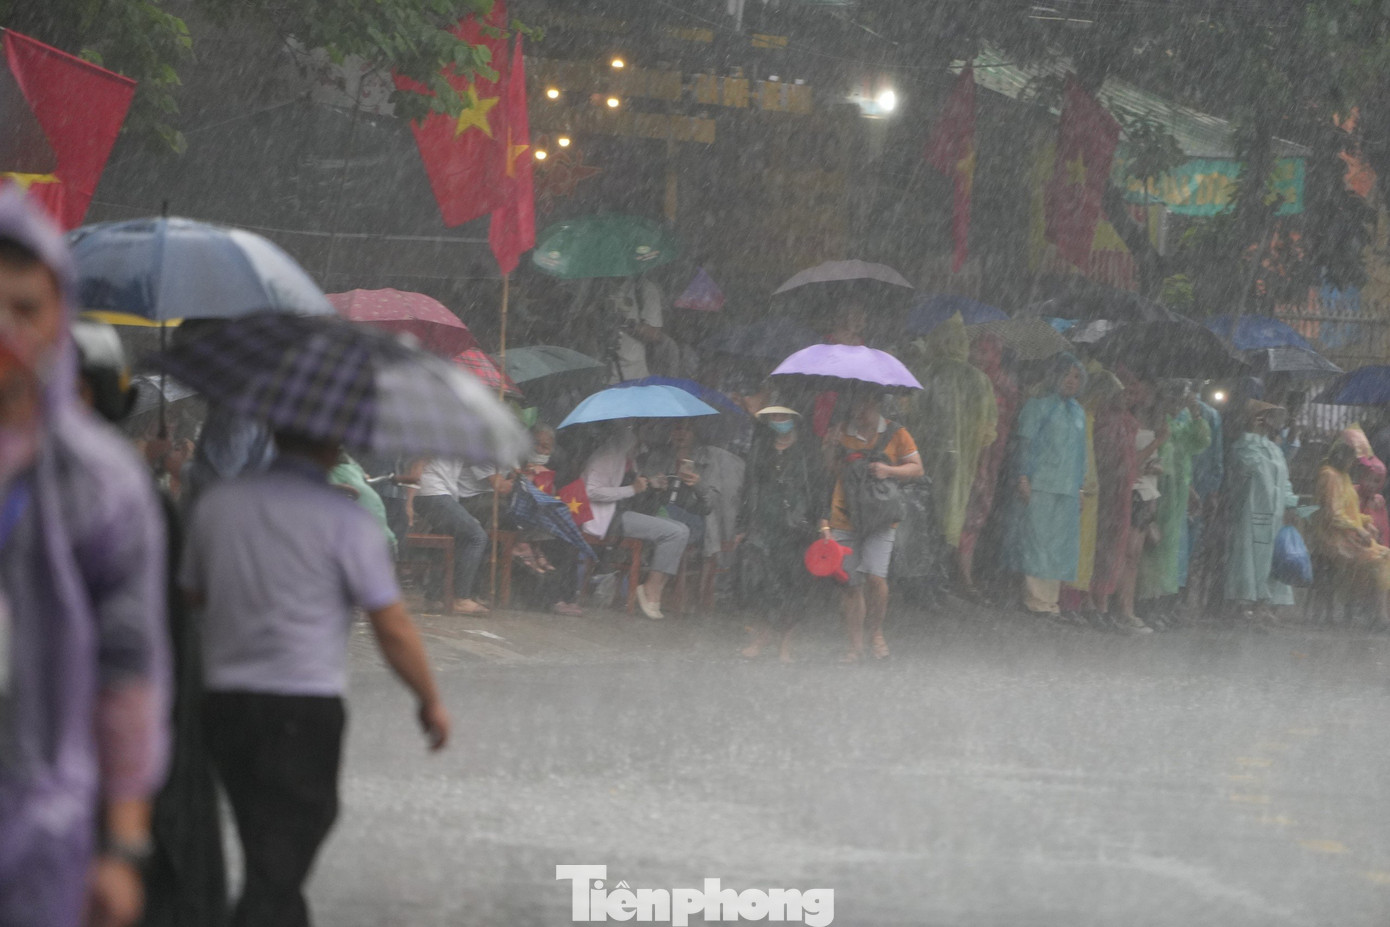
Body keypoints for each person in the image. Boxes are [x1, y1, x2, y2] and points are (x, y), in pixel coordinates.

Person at [182, 430, 450, 927]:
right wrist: (428, 697)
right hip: (301, 705)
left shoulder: (219, 507)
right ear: (335, 448)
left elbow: (192, 597)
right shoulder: (346, 520)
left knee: (260, 831)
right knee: (291, 840)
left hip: (224, 703)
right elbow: (390, 623)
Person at [0, 191, 171, 927]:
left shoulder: (101, 484)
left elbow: (126, 665)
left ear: (57, 314)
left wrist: (122, 846)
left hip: (41, 829)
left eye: (24, 306)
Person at [821, 390, 923, 661]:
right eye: (856, 404)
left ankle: (875, 632)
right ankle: (854, 645)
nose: (860, 411)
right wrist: (830, 447)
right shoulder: (841, 432)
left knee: (876, 579)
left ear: (876, 404)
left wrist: (888, 470)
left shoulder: (896, 433)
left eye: (865, 404)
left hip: (881, 517)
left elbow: (917, 468)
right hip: (845, 515)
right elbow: (830, 472)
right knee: (850, 583)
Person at [734, 407, 827, 661]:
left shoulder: (808, 451)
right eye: (772, 417)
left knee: (793, 586)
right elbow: (748, 488)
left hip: (797, 529)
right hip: (762, 524)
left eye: (782, 416)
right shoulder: (761, 448)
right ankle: (762, 635)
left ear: (794, 418)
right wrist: (741, 526)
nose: (777, 421)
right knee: (758, 581)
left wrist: (823, 523)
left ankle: (786, 643)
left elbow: (819, 488)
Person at [903, 312, 998, 559]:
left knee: (923, 512)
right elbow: (988, 433)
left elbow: (910, 415)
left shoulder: (925, 373)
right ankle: (939, 574)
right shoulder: (981, 380)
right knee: (952, 515)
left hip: (925, 457)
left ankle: (920, 576)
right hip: (962, 464)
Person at [1005, 354, 1089, 616]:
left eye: (1077, 376)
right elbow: (1025, 444)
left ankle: (1049, 601)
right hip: (1040, 483)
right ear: (1054, 376)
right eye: (1067, 374)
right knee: (1036, 542)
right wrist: (1023, 477)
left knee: (1057, 546)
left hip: (1066, 488)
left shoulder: (1078, 412)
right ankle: (1034, 599)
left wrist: (1080, 487)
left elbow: (1080, 453)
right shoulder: (1037, 406)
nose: (1071, 381)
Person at [581, 421, 690, 619]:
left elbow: (634, 489)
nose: (641, 445)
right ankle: (651, 589)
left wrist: (652, 485)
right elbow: (591, 490)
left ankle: (655, 586)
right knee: (674, 532)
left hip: (623, 514)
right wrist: (632, 489)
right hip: (609, 518)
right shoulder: (607, 456)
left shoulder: (628, 459)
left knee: (682, 529)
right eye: (638, 440)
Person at [1136, 381, 1211, 622]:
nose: (1179, 405)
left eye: (1182, 401)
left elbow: (1199, 441)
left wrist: (1196, 412)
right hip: (1156, 486)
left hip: (1177, 490)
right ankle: (1144, 603)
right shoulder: (1157, 419)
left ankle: (1159, 604)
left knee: (1169, 548)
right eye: (1175, 400)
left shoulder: (1182, 421)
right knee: (1152, 545)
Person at [1223, 401, 1299, 621]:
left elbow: (1284, 479)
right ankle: (1243, 602)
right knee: (1248, 556)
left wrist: (1290, 503)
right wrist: (1252, 432)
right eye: (1270, 416)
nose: (1276, 421)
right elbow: (1249, 467)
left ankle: (1264, 603)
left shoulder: (1274, 449)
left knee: (1269, 559)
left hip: (1273, 513)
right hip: (1252, 509)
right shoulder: (1244, 445)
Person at [958, 333, 1019, 595]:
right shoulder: (964, 379)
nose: (978, 357)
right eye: (975, 351)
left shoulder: (1005, 384)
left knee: (977, 515)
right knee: (964, 513)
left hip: (993, 458)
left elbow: (1007, 419)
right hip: (965, 455)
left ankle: (967, 573)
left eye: (985, 352)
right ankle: (962, 575)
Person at [1310, 428, 1390, 626]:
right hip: (1334, 537)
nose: (1355, 462)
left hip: (1350, 535)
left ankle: (1377, 612)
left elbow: (1350, 512)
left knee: (1385, 555)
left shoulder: (1343, 476)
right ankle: (1380, 616)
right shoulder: (1329, 475)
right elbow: (1333, 514)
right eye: (1353, 457)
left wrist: (1366, 522)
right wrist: (1359, 529)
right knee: (1380, 560)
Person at [1089, 369, 1148, 631]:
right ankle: (1092, 602)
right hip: (1102, 490)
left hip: (1121, 493)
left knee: (1114, 548)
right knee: (1098, 545)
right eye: (1123, 391)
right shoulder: (1102, 419)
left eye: (1132, 393)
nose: (1127, 397)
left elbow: (1131, 460)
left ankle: (1102, 604)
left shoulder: (1128, 423)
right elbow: (1101, 455)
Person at [404, 457, 491, 614]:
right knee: (476, 536)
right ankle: (461, 598)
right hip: (432, 493)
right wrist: (408, 503)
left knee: (452, 536)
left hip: (441, 494)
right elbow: (417, 465)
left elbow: (467, 461)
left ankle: (435, 596)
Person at [606, 276, 665, 383]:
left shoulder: (644, 288)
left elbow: (655, 334)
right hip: (600, 373)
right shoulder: (596, 285)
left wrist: (623, 322)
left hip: (634, 375)